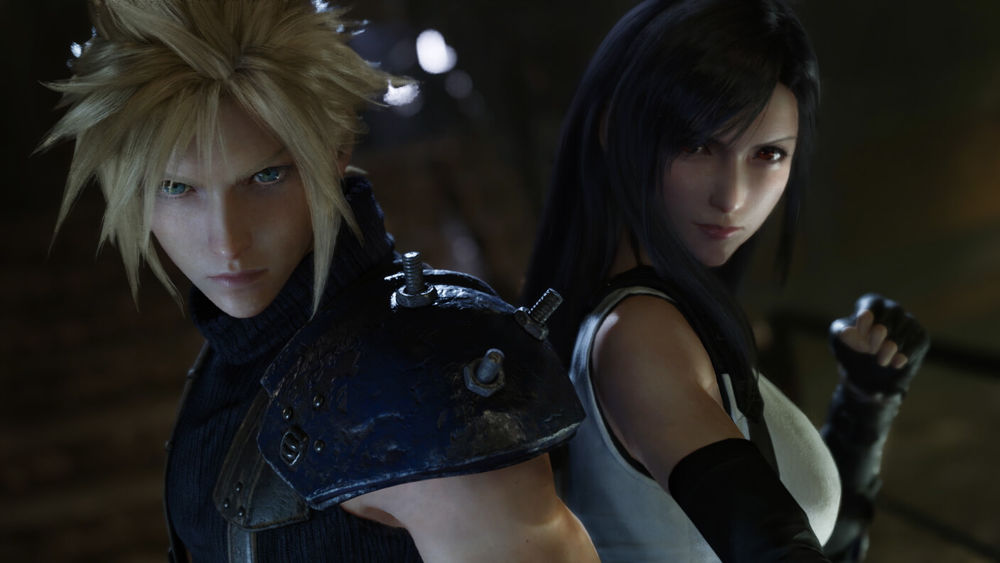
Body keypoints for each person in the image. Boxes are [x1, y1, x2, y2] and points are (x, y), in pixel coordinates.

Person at [38, 1, 599, 561]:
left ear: (336, 151)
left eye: (265, 176)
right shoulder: (226, 364)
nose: (227, 243)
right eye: (176, 188)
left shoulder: (426, 371)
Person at [521, 0, 930, 561]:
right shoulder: (640, 336)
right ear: (614, 129)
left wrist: (866, 401)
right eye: (696, 145)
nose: (732, 197)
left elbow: (819, 542)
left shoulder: (665, 322)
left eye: (768, 154)